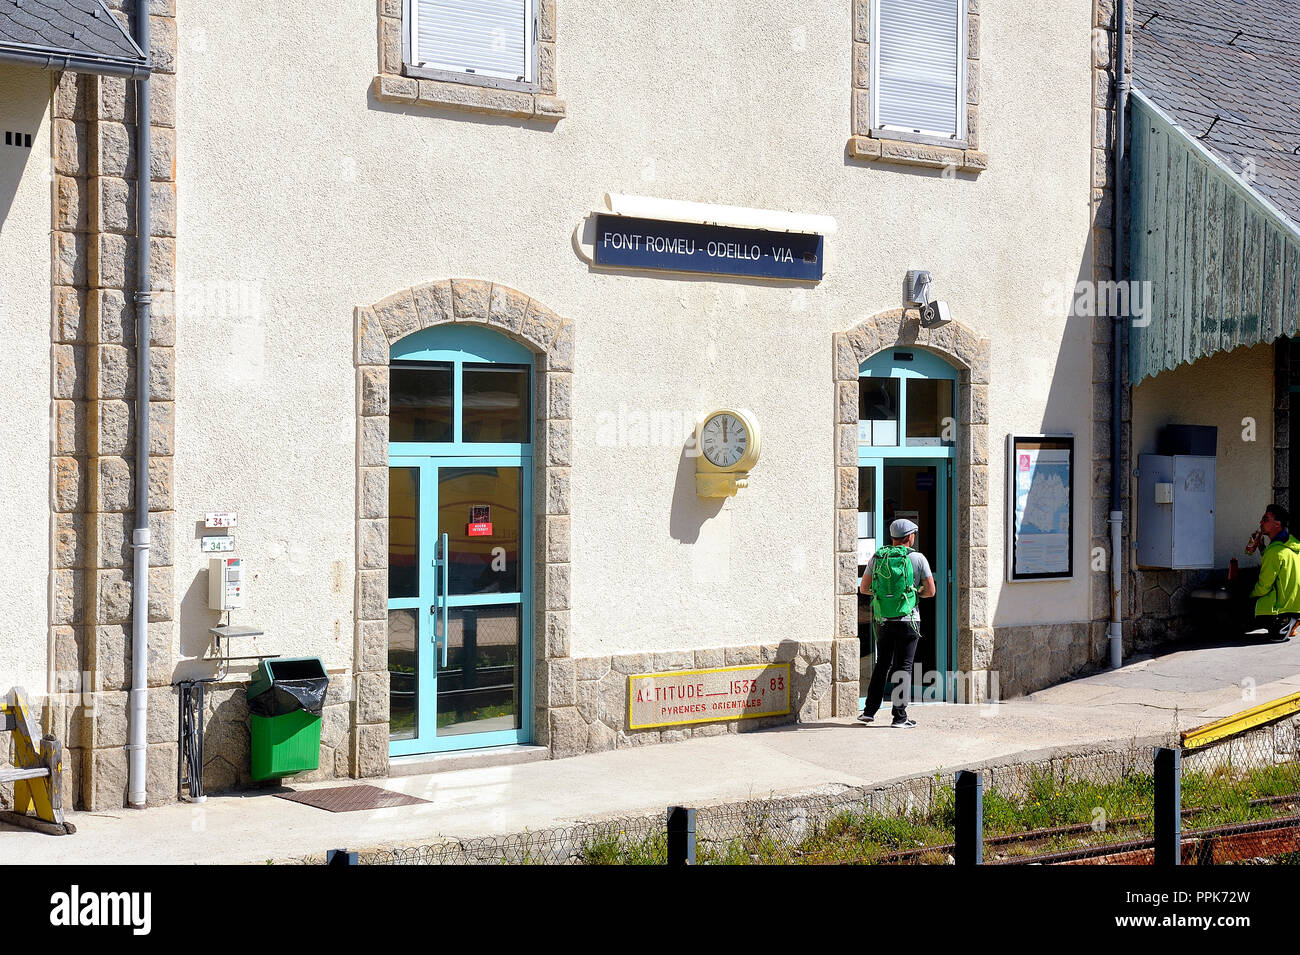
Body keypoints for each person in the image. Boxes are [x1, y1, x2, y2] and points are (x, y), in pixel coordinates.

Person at [857, 518, 936, 727]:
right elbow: (931, 591)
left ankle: (869, 712)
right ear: (910, 536)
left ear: (892, 538)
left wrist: (885, 596)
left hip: (883, 619)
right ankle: (899, 717)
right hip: (909, 619)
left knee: (882, 663)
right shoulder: (918, 558)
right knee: (904, 666)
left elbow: (864, 588)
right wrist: (914, 593)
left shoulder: (879, 557)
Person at [1248, 504, 1300, 642]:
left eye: (1265, 519)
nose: (1261, 522)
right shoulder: (1292, 544)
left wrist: (1249, 596)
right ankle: (1291, 620)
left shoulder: (1274, 552)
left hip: (1279, 608)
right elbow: (1280, 564)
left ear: (1277, 524)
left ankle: (1282, 622)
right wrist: (1262, 548)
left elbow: (1264, 586)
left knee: (1246, 601)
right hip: (1295, 604)